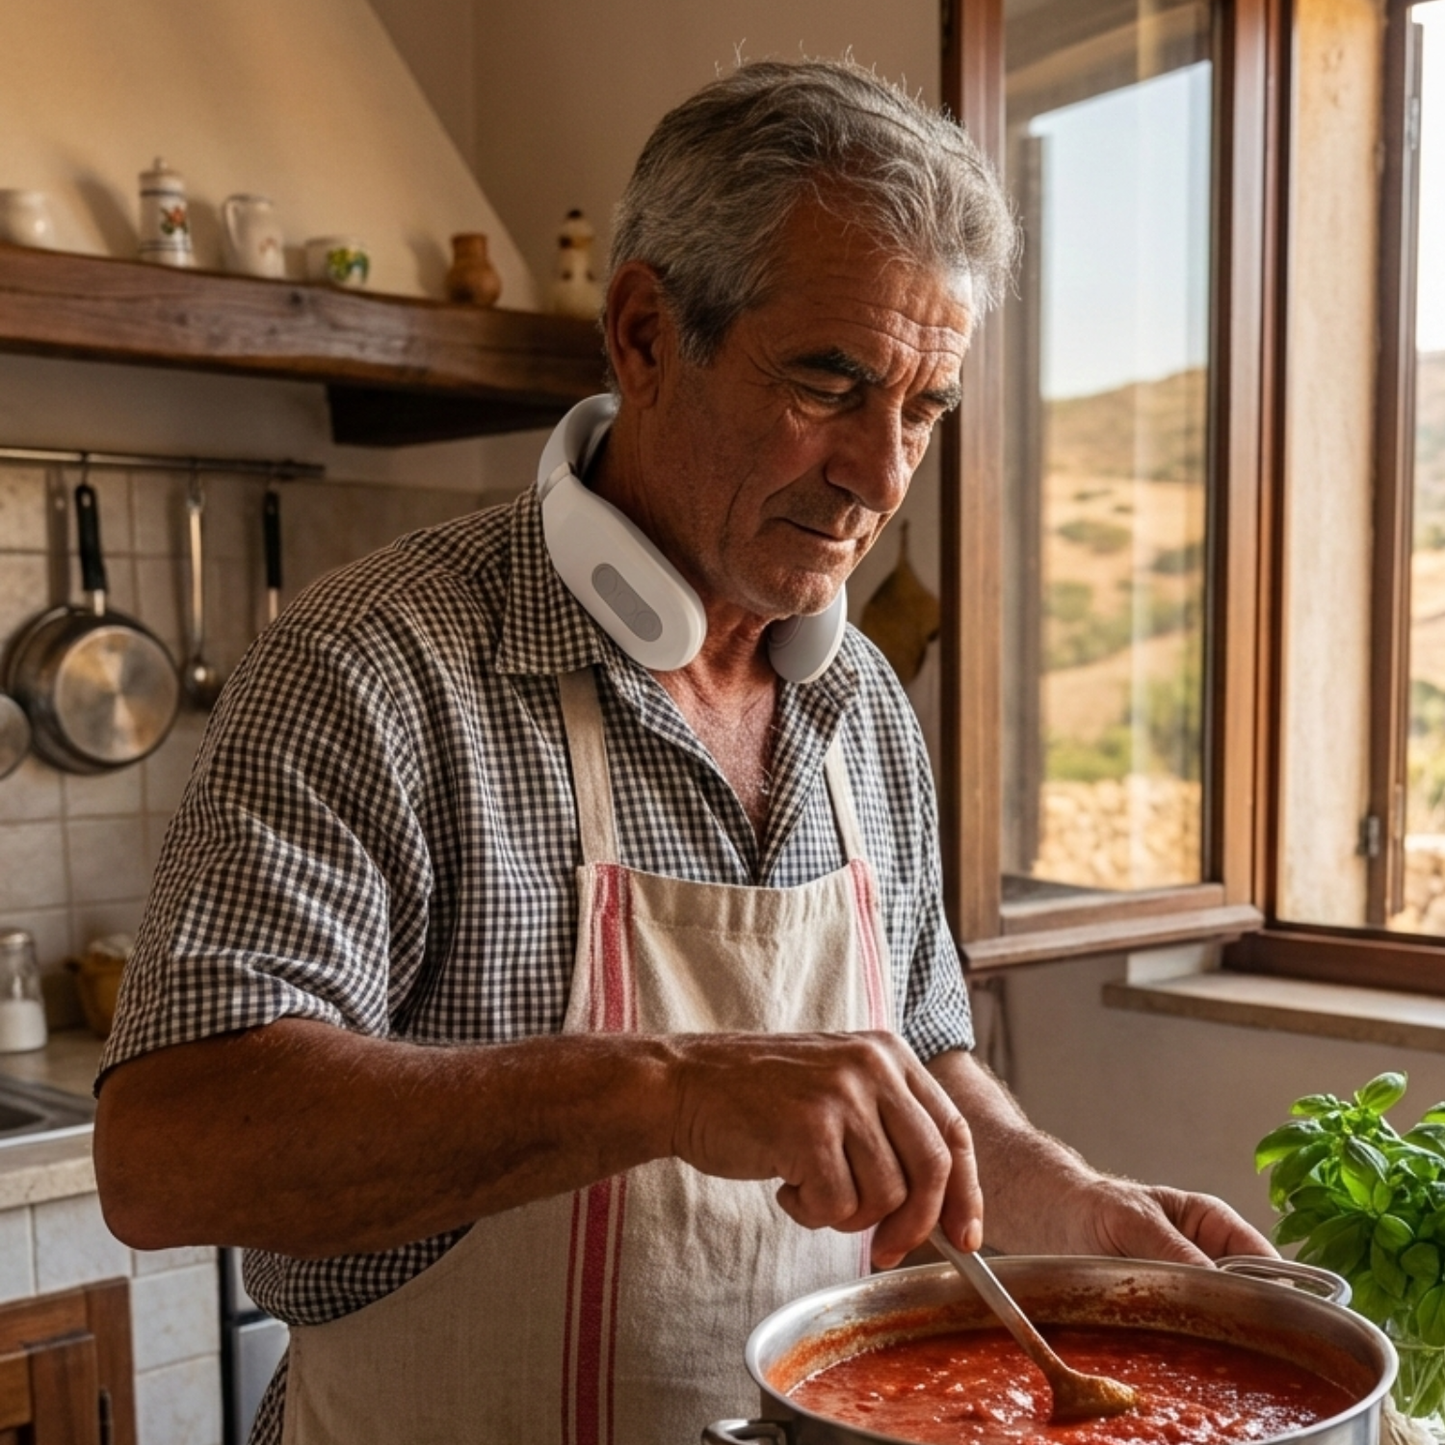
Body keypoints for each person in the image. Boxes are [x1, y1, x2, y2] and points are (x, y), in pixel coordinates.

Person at [93, 59, 1272, 1445]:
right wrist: (670, 1086)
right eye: (830, 382)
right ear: (646, 335)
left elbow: (929, 1065)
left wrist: (1075, 1207)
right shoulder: (378, 661)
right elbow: (165, 1154)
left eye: (925, 408)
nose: (881, 475)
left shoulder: (864, 709)